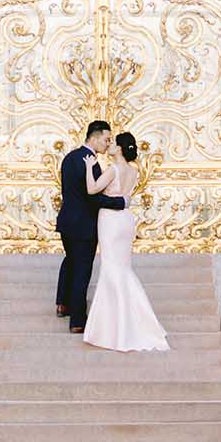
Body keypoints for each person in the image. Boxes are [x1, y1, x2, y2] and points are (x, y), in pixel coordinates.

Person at [83, 130, 169, 353]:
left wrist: (87, 168)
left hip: (110, 220)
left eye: (113, 143)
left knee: (111, 268)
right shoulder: (133, 171)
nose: (109, 145)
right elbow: (126, 197)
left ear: (119, 149)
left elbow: (92, 189)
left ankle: (115, 327)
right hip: (125, 220)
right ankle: (138, 320)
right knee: (123, 268)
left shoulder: (113, 169)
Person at [55, 120, 127, 333]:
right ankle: (78, 320)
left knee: (70, 261)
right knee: (82, 270)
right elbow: (92, 197)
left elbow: (69, 193)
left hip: (67, 221)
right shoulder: (90, 161)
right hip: (84, 225)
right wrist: (119, 203)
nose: (107, 144)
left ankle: (63, 303)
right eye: (106, 139)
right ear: (94, 137)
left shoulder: (69, 158)